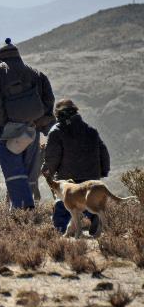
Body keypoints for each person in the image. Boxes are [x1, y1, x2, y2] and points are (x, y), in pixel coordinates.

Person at [0, 38, 55, 209]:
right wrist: (36, 122)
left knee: (13, 172)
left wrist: (5, 124)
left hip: (6, 133)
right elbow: (48, 100)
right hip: (31, 131)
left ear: (0, 58)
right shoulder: (37, 74)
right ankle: (28, 209)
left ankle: (22, 209)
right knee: (30, 171)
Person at [42, 99, 110, 235]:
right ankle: (95, 218)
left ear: (58, 114)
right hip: (91, 178)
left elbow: (52, 157)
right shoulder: (91, 130)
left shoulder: (57, 131)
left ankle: (60, 231)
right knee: (89, 202)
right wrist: (103, 171)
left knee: (63, 204)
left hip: (68, 179)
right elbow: (103, 152)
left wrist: (47, 170)